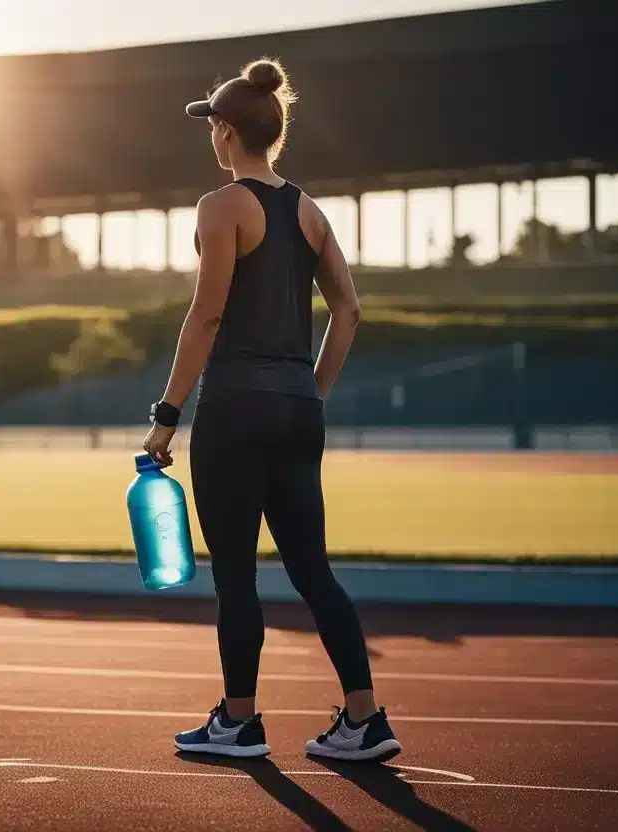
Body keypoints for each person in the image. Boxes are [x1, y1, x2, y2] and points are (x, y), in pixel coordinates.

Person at [141, 58, 401, 763]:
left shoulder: (221, 206)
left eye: (213, 127)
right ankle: (365, 720)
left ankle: (239, 722)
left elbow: (206, 315)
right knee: (313, 570)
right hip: (295, 409)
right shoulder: (310, 211)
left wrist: (167, 413)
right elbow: (348, 311)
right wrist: (312, 390)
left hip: (235, 407)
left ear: (225, 133)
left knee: (236, 575)